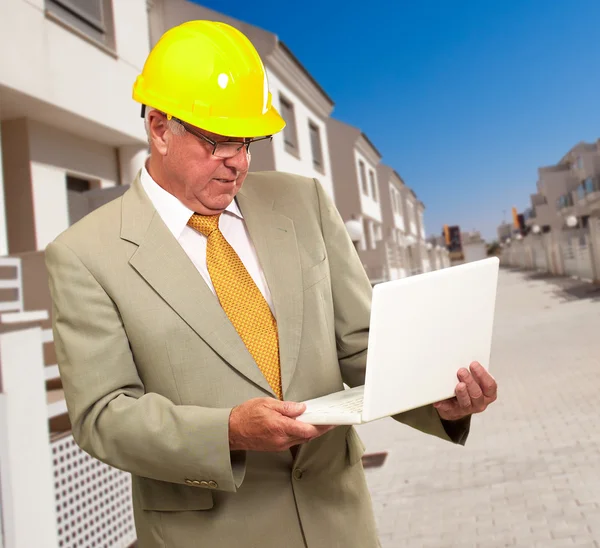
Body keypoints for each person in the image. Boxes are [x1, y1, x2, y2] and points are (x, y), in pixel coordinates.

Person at [45, 20, 498, 548]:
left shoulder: (303, 203)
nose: (238, 161)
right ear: (160, 127)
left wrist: (439, 399)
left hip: (338, 521)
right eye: (218, 141)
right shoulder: (85, 256)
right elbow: (103, 416)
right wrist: (228, 431)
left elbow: (361, 347)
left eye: (248, 139)